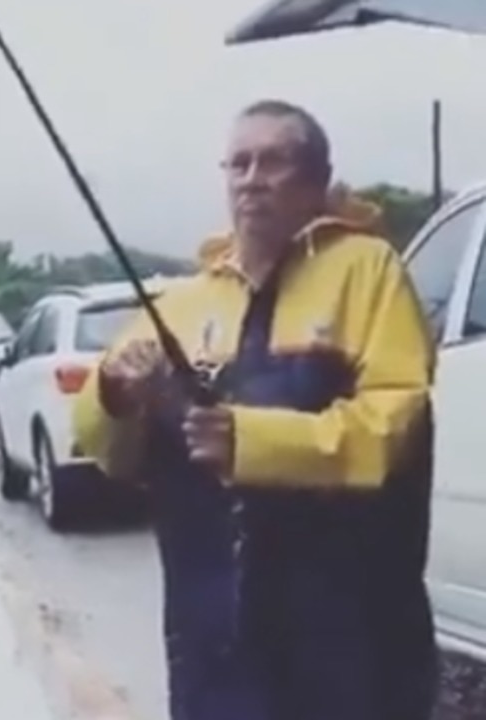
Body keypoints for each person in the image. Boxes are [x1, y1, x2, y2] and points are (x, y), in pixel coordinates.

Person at [71, 99, 437, 720]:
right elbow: (110, 452)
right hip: (214, 647)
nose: (251, 177)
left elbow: (394, 427)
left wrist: (251, 442)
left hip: (350, 637)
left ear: (316, 178)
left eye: (274, 160)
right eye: (238, 163)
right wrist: (113, 394)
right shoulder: (185, 302)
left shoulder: (367, 271)